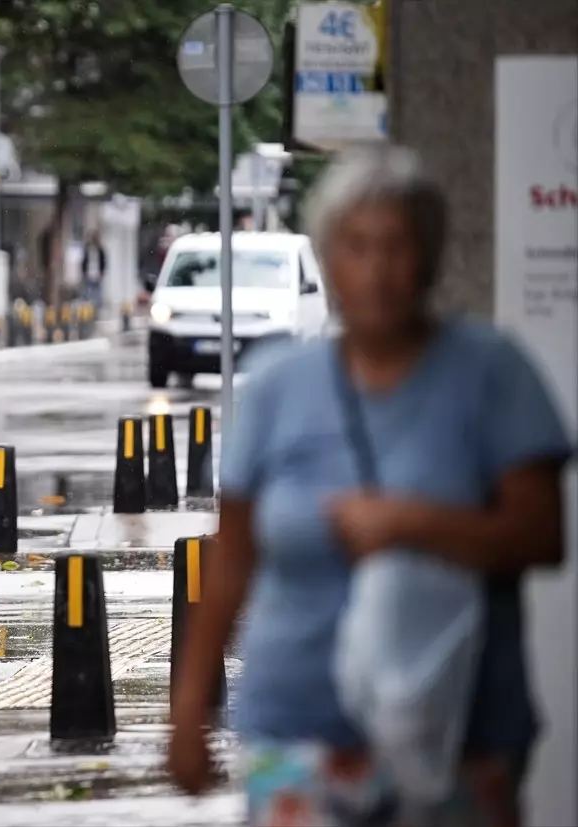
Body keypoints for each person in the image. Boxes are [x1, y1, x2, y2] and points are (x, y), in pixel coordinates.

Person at [168, 147, 573, 825]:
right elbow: (232, 554)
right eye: (357, 247)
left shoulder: (492, 371)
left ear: (432, 258)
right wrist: (187, 710)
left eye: (397, 247)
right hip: (297, 724)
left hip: (458, 730)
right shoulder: (276, 383)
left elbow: (543, 534)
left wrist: (413, 523)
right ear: (328, 261)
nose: (378, 271)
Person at [81, 230, 107, 308]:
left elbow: (103, 262)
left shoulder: (100, 250)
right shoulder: (87, 250)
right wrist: (84, 272)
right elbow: (84, 261)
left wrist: (102, 272)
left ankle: (96, 307)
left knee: (97, 293)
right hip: (89, 274)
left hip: (97, 274)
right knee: (88, 293)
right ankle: (89, 308)